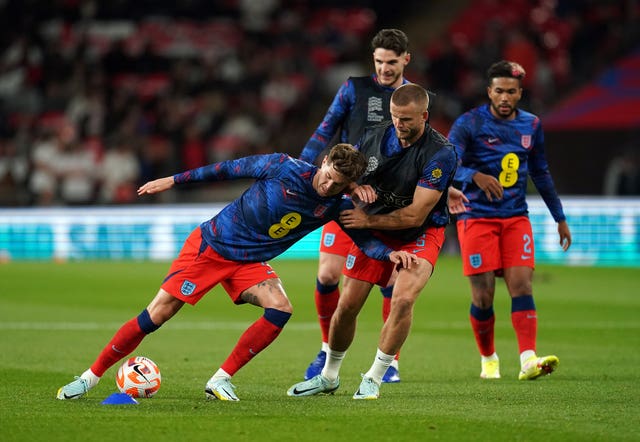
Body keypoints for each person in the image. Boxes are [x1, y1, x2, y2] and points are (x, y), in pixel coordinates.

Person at [55, 144, 419, 401]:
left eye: (338, 184)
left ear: (348, 186)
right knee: (158, 314)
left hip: (248, 262)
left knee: (280, 307)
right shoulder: (281, 166)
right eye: (328, 176)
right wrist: (174, 180)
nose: (328, 185)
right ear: (323, 163)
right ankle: (88, 378)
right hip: (211, 246)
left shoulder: (335, 205)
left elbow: (364, 239)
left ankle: (220, 379)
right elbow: (224, 169)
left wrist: (392, 254)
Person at [287, 83, 459, 400]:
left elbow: (416, 215)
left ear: (424, 115)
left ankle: (375, 377)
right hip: (377, 228)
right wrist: (354, 187)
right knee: (348, 305)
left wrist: (367, 220)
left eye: (406, 119)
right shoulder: (375, 136)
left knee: (403, 298)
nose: (399, 124)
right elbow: (347, 173)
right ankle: (328, 376)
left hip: (420, 232)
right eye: (395, 117)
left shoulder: (441, 153)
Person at [298, 28, 415, 383]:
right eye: (379, 61)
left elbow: (425, 150)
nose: (384, 69)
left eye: (391, 62)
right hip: (346, 196)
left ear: (405, 60)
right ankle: (325, 347)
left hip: (389, 201)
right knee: (327, 275)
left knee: (392, 280)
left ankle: (390, 360)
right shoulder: (353, 88)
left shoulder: (414, 98)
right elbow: (325, 130)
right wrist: (301, 171)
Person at [446, 60, 572, 381]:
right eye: (499, 91)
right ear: (489, 91)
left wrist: (559, 217)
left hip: (516, 217)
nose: (504, 97)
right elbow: (445, 165)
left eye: (511, 92)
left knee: (522, 285)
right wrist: (474, 176)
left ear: (520, 93)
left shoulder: (531, 125)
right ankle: (489, 358)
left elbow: (541, 172)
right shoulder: (469, 124)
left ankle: (528, 359)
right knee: (483, 296)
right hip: (475, 217)